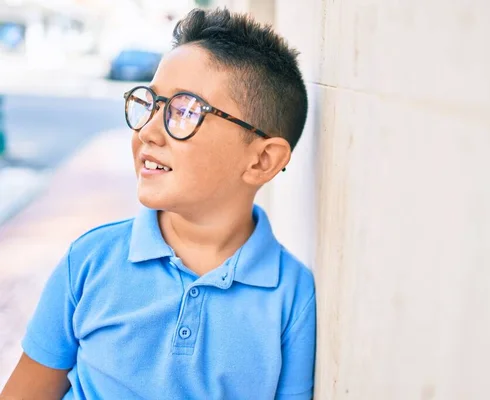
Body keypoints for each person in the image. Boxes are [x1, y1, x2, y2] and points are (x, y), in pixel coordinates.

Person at [1, 7, 315, 400]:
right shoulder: (90, 260)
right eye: (149, 103)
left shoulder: (291, 296)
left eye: (184, 111)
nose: (148, 130)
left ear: (261, 160)